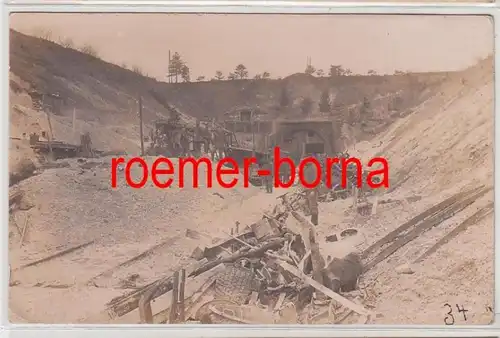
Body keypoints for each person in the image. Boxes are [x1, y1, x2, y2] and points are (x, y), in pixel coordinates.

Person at [303, 153, 320, 225]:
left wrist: (314, 188)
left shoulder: (313, 167)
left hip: (312, 188)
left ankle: (314, 222)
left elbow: (316, 178)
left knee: (313, 205)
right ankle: (312, 221)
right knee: (309, 204)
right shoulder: (306, 167)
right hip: (308, 188)